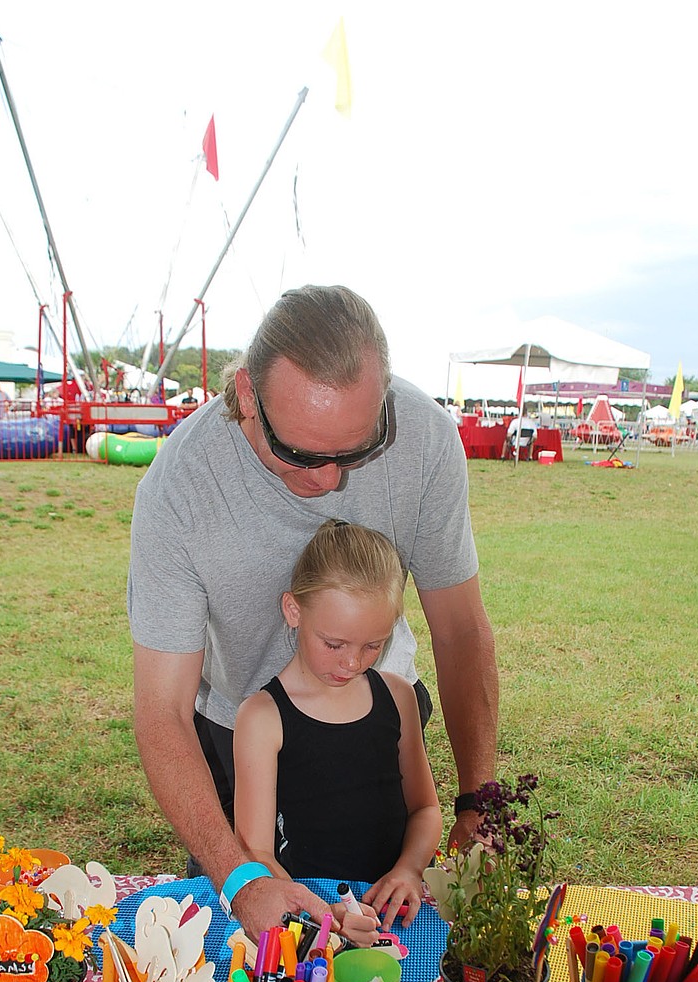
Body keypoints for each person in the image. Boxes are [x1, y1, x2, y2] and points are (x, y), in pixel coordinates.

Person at [128, 284, 498, 941]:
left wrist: (476, 800)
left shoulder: (425, 440)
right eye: (299, 454)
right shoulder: (182, 484)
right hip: (237, 731)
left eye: (356, 449)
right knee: (249, 946)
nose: (330, 481)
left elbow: (461, 629)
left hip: (378, 713)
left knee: (385, 937)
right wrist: (240, 875)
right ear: (247, 396)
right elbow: (161, 712)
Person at [233, 520, 443, 936]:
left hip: (396, 913)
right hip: (306, 912)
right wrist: (322, 915)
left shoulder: (398, 697)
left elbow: (425, 809)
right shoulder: (262, 717)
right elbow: (255, 849)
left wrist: (409, 869)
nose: (352, 663)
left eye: (372, 645)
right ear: (293, 611)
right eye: (334, 644)